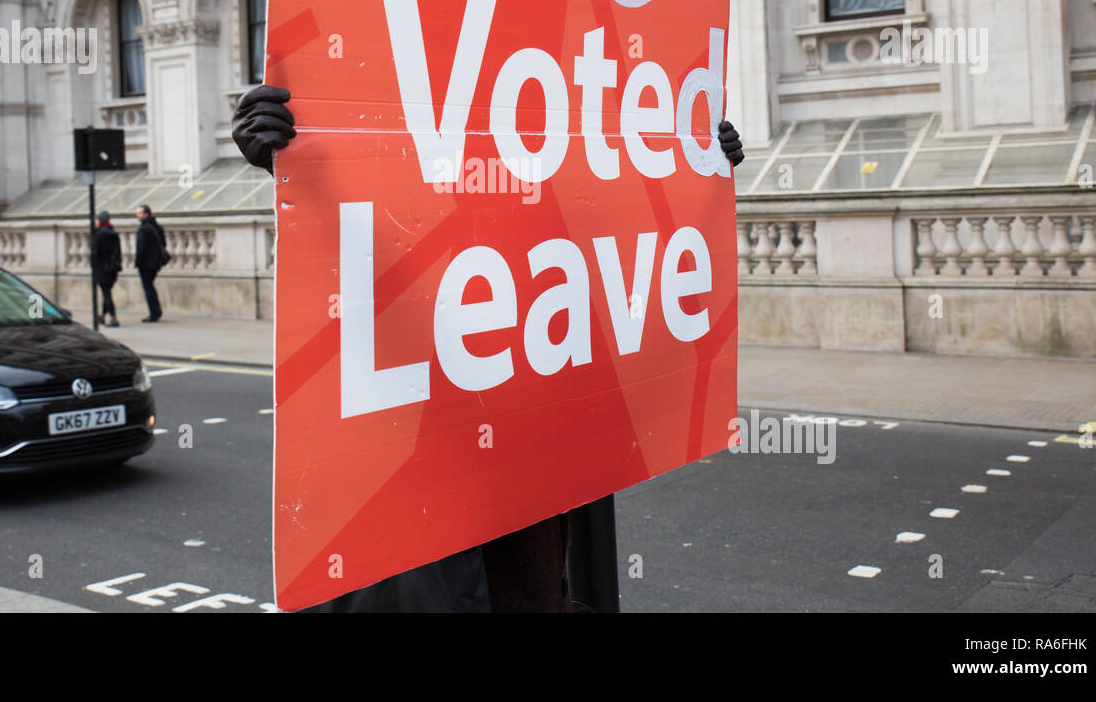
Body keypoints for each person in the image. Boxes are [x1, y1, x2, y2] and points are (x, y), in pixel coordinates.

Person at [231, 85, 744, 612]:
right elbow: (367, 259)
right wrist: (297, 171)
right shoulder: (413, 314)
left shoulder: (552, 312)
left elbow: (638, 293)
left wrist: (695, 171)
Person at [134, 204, 166, 323]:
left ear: (146, 214)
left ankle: (154, 313)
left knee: (148, 288)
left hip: (146, 264)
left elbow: (140, 248)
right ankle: (156, 311)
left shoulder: (143, 229)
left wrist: (137, 262)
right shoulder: (157, 227)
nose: (137, 215)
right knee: (150, 287)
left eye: (139, 213)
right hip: (156, 262)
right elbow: (164, 243)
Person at [92, 210, 122, 327]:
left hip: (102, 267)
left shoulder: (99, 235)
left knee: (106, 293)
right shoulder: (113, 233)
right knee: (107, 291)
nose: (95, 222)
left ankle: (114, 317)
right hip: (112, 268)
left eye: (97, 220)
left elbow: (95, 253)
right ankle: (103, 316)